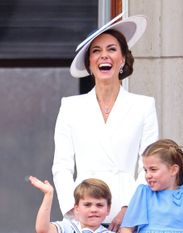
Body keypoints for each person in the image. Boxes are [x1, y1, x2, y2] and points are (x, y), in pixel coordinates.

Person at [52, 14, 159, 232]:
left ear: (122, 59)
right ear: (89, 63)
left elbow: (148, 166)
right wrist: (74, 210)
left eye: (111, 49)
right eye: (96, 51)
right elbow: (61, 166)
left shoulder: (144, 106)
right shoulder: (70, 107)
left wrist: (131, 208)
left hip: (128, 214)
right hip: (83, 213)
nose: (104, 56)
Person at [119, 139, 183, 233]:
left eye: (153, 169)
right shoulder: (143, 193)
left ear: (173, 170)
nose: (147, 175)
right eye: (146, 170)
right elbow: (127, 228)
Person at [28, 176, 113, 233]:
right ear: (76, 208)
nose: (93, 209)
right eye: (87, 205)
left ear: (108, 209)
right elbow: (43, 229)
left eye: (99, 205)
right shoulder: (68, 227)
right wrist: (48, 195)